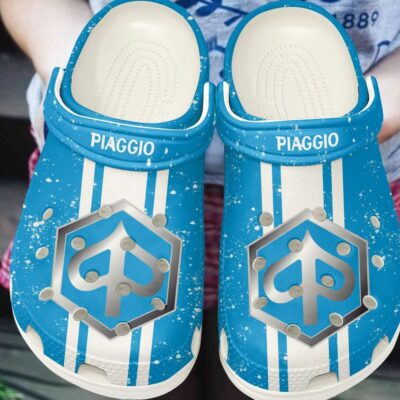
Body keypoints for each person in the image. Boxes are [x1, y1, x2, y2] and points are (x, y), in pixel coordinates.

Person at [0, 2, 399, 397]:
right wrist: (83, 81)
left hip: (344, 166)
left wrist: (369, 113)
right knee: (143, 363)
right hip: (110, 139)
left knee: (274, 366)